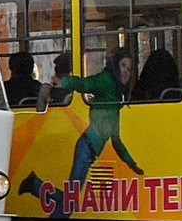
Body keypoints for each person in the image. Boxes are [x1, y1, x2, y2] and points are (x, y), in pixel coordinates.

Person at [57, 47, 144, 183]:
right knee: (71, 197)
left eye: (129, 68)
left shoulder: (115, 94)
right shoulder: (106, 80)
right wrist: (65, 82)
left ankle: (33, 183)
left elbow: (116, 140)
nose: (126, 72)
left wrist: (131, 163)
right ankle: (34, 184)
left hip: (89, 151)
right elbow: (86, 84)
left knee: (71, 197)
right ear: (115, 65)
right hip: (85, 148)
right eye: (123, 65)